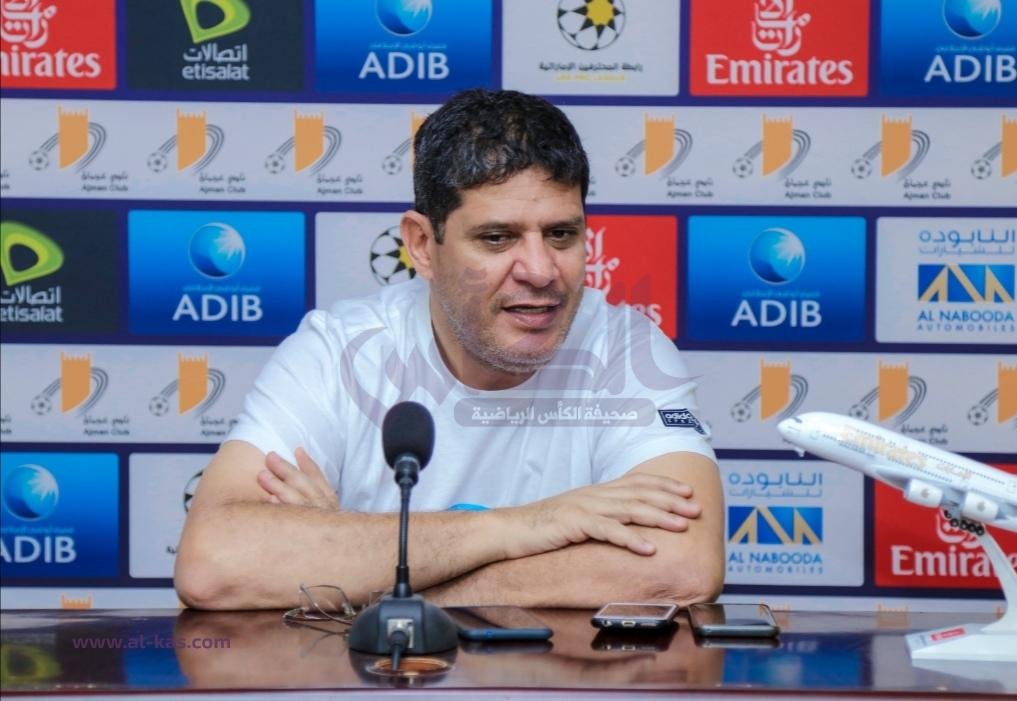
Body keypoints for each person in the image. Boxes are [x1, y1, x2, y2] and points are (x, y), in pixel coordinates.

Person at [175, 89, 725, 610]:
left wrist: (372, 580)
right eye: (497, 238)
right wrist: (521, 525)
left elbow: (682, 567)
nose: (540, 271)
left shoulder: (627, 350)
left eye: (561, 234)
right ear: (422, 245)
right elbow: (214, 562)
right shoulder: (341, 350)